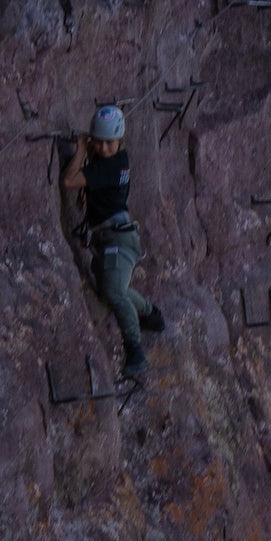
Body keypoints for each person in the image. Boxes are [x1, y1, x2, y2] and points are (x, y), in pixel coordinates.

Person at [62, 103, 165, 388]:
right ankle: (149, 314)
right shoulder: (117, 160)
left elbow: (68, 181)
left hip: (118, 239)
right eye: (100, 142)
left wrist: (81, 149)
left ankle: (135, 351)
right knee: (110, 291)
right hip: (112, 238)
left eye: (110, 142)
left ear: (120, 140)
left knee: (113, 291)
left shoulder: (109, 165)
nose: (105, 147)